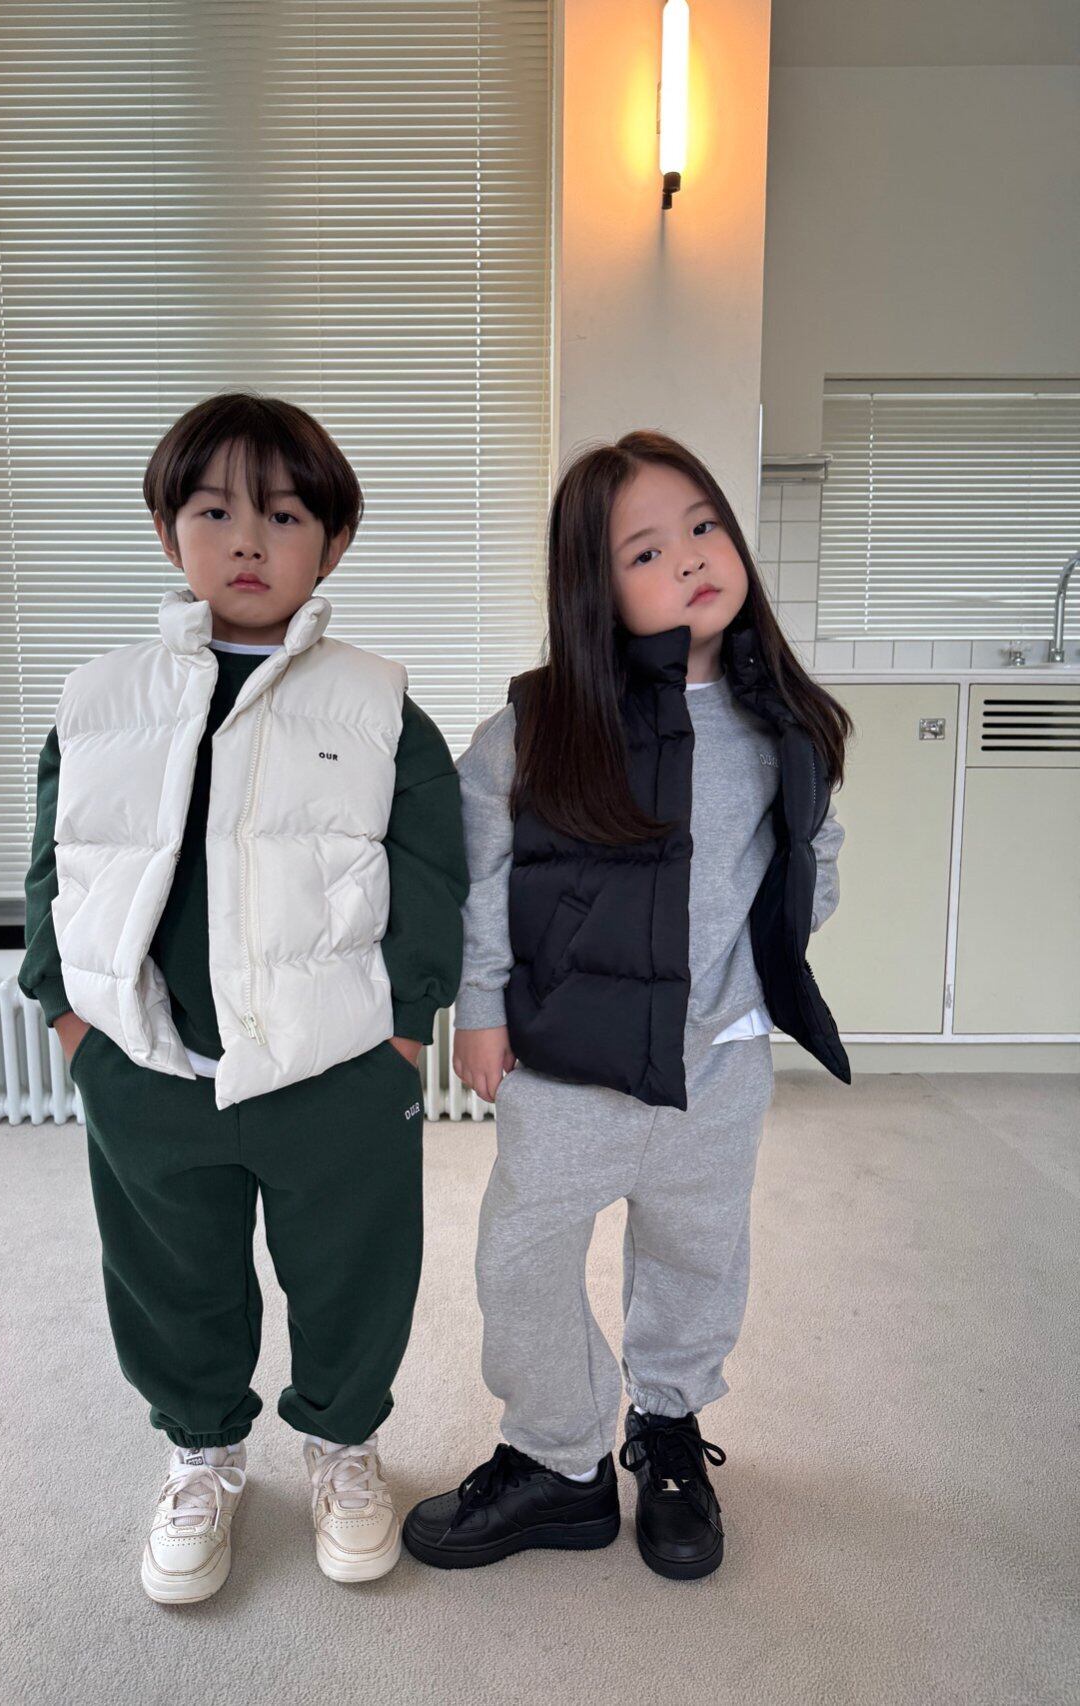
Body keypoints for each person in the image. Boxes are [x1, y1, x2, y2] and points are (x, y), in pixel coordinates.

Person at [17, 392, 468, 1603]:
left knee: (354, 1270)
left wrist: (399, 1035)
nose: (248, 541)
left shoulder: (380, 708)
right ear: (168, 532)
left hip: (337, 1071)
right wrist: (70, 1017)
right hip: (149, 1066)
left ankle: (342, 1443)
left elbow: (432, 880)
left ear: (332, 541)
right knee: (171, 1272)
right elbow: (57, 864)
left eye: (283, 515)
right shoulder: (98, 700)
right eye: (214, 511)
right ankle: (202, 1453)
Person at [402, 430, 853, 1581]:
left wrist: (762, 971)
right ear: (592, 588)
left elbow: (810, 854)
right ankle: (556, 1454)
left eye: (702, 527)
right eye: (645, 550)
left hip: (717, 1062)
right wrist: (481, 1006)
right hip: (570, 1063)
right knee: (520, 1255)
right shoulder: (535, 727)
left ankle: (665, 1429)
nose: (690, 556)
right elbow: (482, 875)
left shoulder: (778, 722)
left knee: (696, 1251)